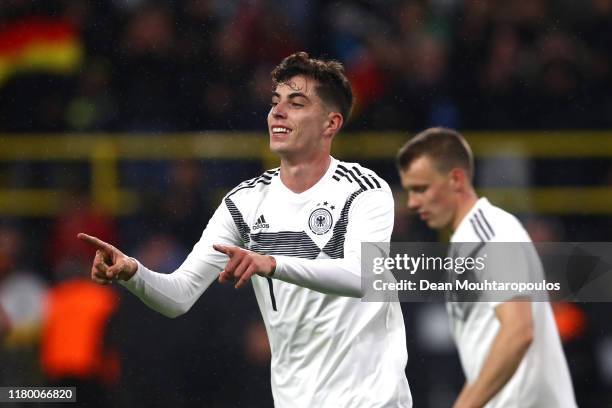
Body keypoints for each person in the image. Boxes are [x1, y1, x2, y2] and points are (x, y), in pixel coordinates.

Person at [79, 52, 412, 407]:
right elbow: (179, 295)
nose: (278, 112)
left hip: (372, 399)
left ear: (330, 124)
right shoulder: (245, 202)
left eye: (296, 103)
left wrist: (274, 264)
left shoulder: (364, 190)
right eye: (275, 102)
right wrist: (133, 273)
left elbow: (362, 276)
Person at [396, 127, 576, 408]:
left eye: (421, 188)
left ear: (456, 179)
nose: (413, 203)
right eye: (409, 191)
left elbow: (519, 332)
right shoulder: (469, 241)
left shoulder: (489, 233)